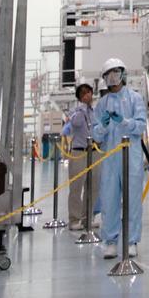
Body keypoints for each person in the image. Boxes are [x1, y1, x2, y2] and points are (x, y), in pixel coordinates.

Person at [91, 56, 147, 259]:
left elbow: (140, 126)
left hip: (131, 157)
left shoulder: (135, 98)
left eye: (116, 72)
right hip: (110, 159)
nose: (113, 76)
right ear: (104, 78)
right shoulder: (102, 104)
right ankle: (111, 241)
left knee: (132, 200)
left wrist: (125, 122)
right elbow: (96, 135)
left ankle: (132, 241)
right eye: (109, 73)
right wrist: (103, 126)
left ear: (123, 74)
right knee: (109, 200)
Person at [62, 82, 94, 230]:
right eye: (83, 94)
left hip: (93, 152)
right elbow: (76, 123)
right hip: (79, 152)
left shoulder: (95, 111)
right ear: (79, 98)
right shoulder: (77, 112)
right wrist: (82, 108)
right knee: (76, 187)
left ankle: (87, 218)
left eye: (88, 92)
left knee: (93, 187)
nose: (86, 95)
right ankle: (74, 219)